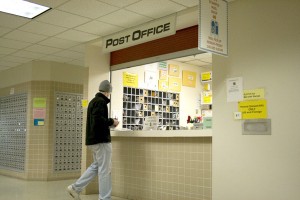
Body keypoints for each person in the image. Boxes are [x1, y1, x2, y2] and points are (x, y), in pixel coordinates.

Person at [67, 80, 119, 200]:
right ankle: (104, 198)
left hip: (93, 141)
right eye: (110, 93)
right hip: (101, 141)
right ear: (107, 92)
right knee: (105, 170)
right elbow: (99, 120)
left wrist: (108, 121)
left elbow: (96, 120)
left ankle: (75, 188)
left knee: (96, 166)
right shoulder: (101, 102)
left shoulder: (93, 101)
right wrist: (112, 121)